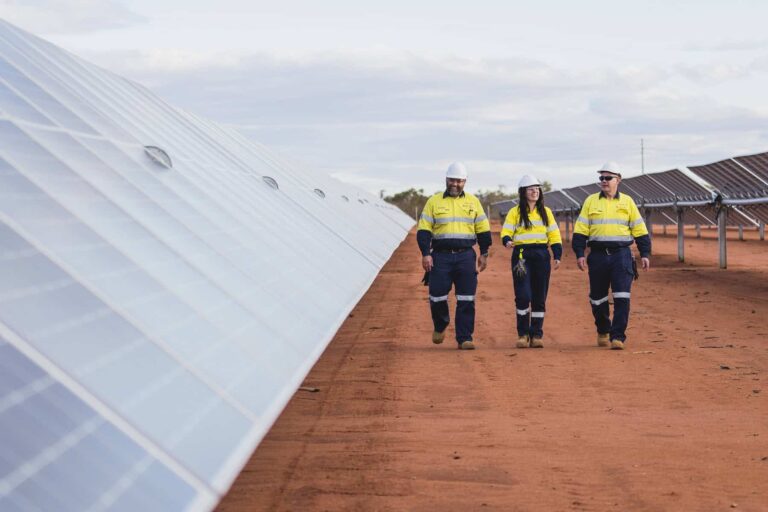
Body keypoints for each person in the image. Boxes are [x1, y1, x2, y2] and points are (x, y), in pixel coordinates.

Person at [572, 161, 651, 350]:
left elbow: (640, 229)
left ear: (618, 180)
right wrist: (579, 253)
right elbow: (581, 229)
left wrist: (645, 253)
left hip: (621, 255)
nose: (604, 181)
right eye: (601, 178)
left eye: (608, 178)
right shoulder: (591, 201)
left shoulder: (628, 202)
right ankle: (603, 329)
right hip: (598, 255)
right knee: (597, 298)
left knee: (622, 296)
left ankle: (618, 336)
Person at [417, 162, 492, 350]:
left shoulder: (473, 202)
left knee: (467, 298)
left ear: (464, 181)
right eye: (452, 180)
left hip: (465, 256)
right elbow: (424, 230)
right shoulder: (434, 201)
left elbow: (483, 229)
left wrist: (484, 253)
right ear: (446, 180)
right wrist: (426, 254)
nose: (455, 184)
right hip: (440, 257)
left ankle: (464, 338)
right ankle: (440, 325)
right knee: (437, 297)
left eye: (459, 181)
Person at [500, 175, 562, 348]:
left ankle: (536, 334)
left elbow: (554, 234)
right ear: (523, 192)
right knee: (523, 295)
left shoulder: (546, 212)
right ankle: (523, 334)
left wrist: (557, 254)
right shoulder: (515, 212)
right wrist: (507, 240)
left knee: (539, 296)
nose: (535, 191)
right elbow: (506, 231)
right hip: (521, 255)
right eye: (531, 189)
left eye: (537, 188)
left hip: (542, 255)